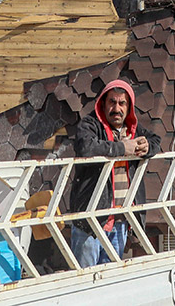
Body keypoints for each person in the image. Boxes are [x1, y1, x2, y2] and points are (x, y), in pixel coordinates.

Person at [68, 79, 161, 267]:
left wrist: (147, 147)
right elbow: (85, 146)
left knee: (110, 284)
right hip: (90, 223)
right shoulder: (90, 124)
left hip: (119, 222)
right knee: (86, 282)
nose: (116, 108)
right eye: (112, 102)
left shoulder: (133, 130)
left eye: (122, 103)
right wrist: (121, 148)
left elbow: (156, 140)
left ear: (129, 107)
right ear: (103, 103)